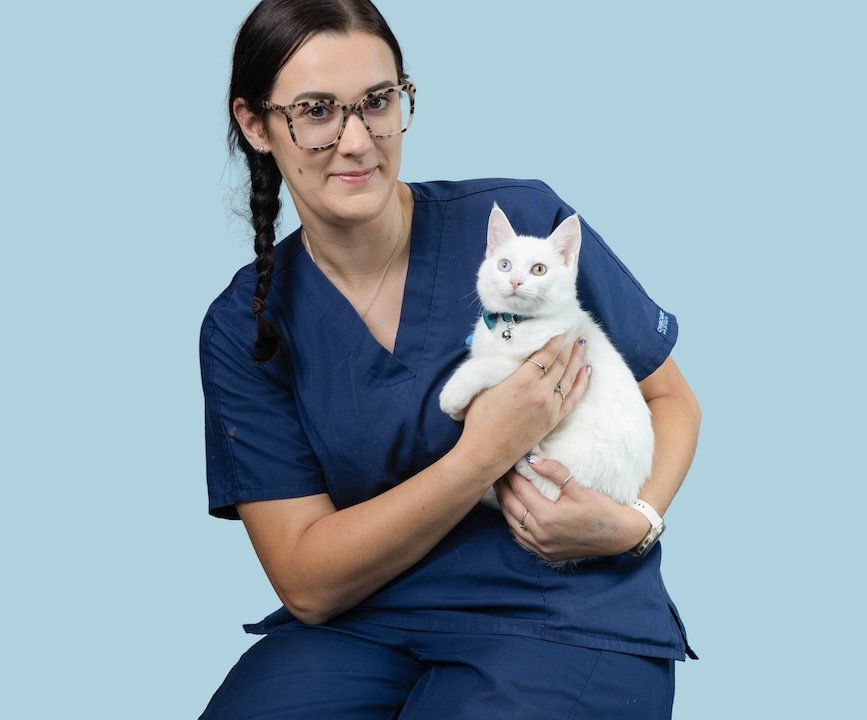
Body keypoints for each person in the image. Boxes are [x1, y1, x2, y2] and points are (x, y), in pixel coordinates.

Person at [199, 1, 701, 717]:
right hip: (363, 621)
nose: (357, 141)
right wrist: (482, 454)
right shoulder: (244, 324)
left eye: (378, 101)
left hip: (562, 607)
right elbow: (307, 582)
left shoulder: (522, 225)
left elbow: (670, 399)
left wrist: (636, 522)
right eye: (316, 111)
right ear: (255, 125)